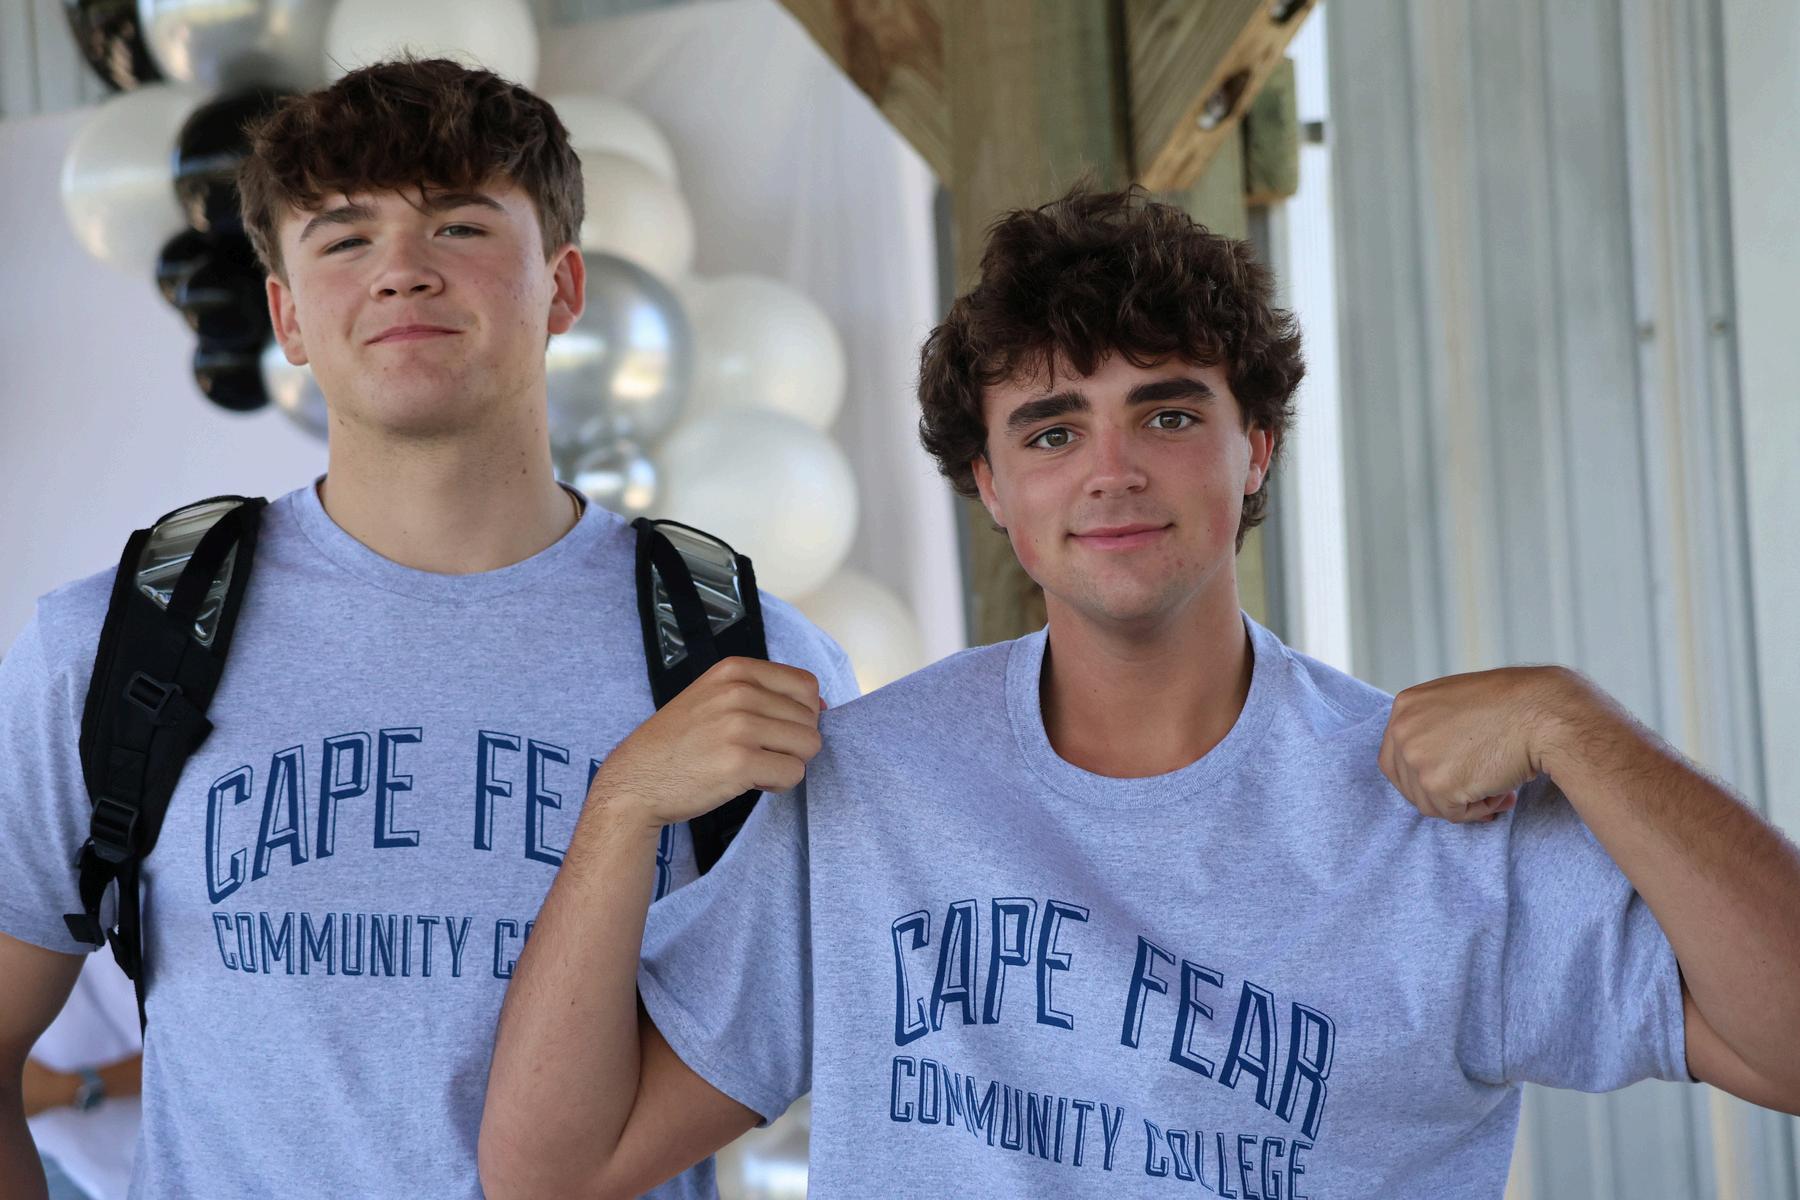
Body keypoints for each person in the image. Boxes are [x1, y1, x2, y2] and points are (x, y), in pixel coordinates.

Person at [479, 185, 1800, 1198]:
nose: (1111, 472)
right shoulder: (876, 788)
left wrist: (1577, 723)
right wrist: (622, 806)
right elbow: (551, 1171)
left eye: (1168, 416)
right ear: (993, 488)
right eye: (1053, 431)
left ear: (1255, 449)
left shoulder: (1432, 815)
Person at [0, 57, 856, 1200]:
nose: (402, 270)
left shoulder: (741, 662)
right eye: (345, 238)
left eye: (458, 226)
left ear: (563, 288)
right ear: (286, 315)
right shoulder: (115, 647)